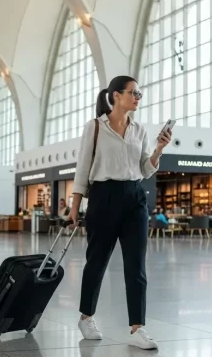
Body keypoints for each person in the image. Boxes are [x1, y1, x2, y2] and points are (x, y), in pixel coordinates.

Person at [68, 75, 171, 350]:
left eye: (140, 93)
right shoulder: (95, 127)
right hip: (103, 196)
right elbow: (82, 167)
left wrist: (159, 150)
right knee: (97, 261)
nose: (138, 97)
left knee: (136, 264)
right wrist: (74, 206)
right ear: (115, 95)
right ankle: (86, 316)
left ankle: (137, 327)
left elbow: (145, 169)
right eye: (133, 92)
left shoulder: (139, 129)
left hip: (135, 197)